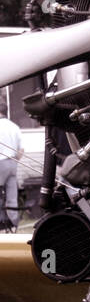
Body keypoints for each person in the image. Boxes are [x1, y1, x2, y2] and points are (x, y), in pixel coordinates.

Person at [0, 96, 23, 232]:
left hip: (0, 162)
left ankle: (1, 224)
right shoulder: (14, 126)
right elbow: (21, 150)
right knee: (12, 196)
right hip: (12, 163)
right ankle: (14, 224)